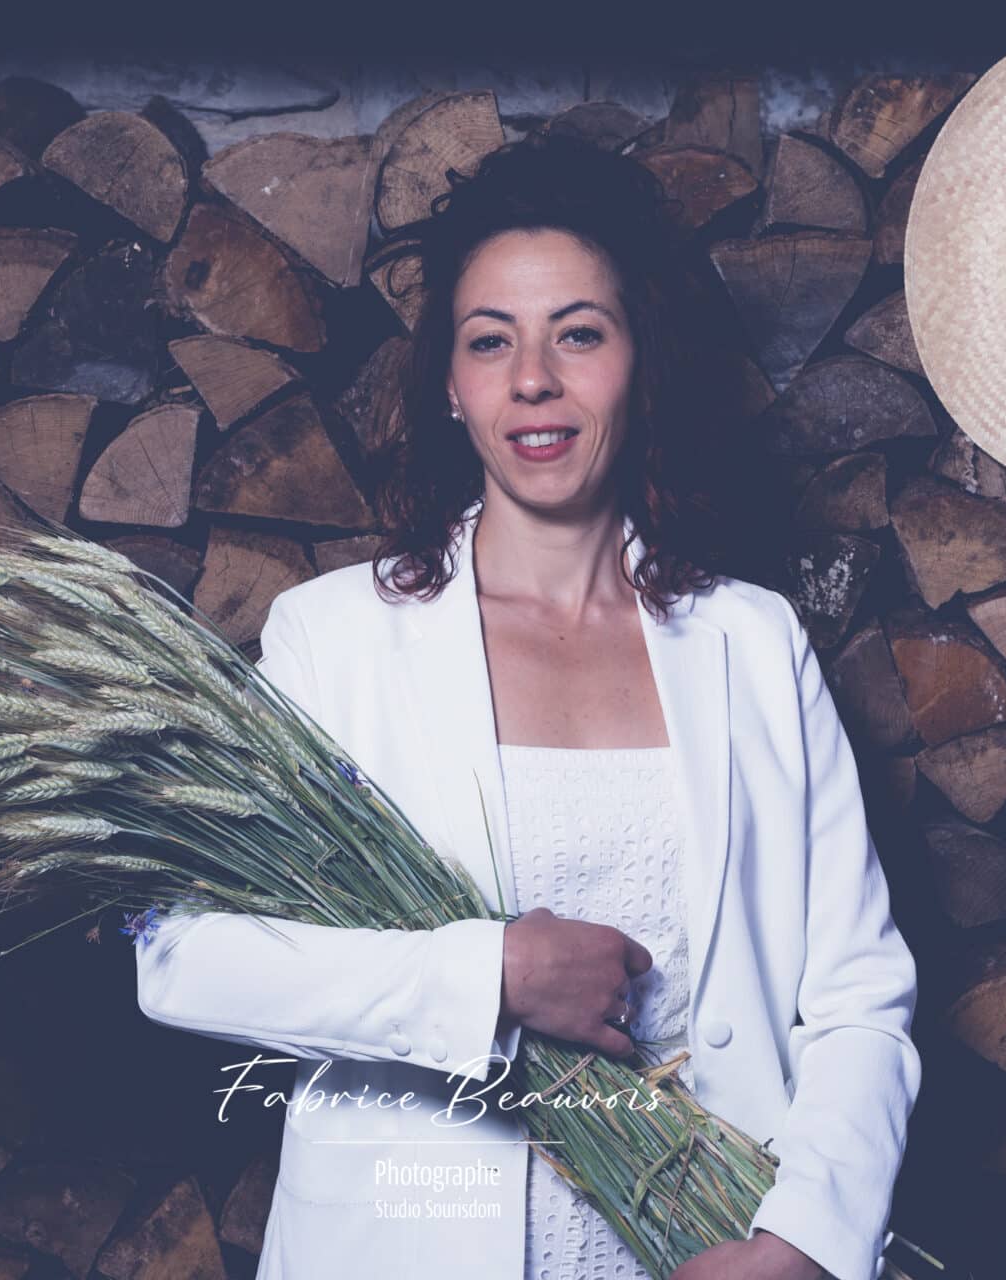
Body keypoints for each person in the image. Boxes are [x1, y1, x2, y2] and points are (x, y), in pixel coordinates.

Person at [135, 130, 921, 1280]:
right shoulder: (340, 638)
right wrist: (483, 977)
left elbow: (858, 994)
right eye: (491, 340)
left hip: (703, 1245)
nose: (534, 380)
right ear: (451, 385)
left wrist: (803, 1238)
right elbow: (182, 954)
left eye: (579, 334)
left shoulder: (752, 642)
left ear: (637, 362)